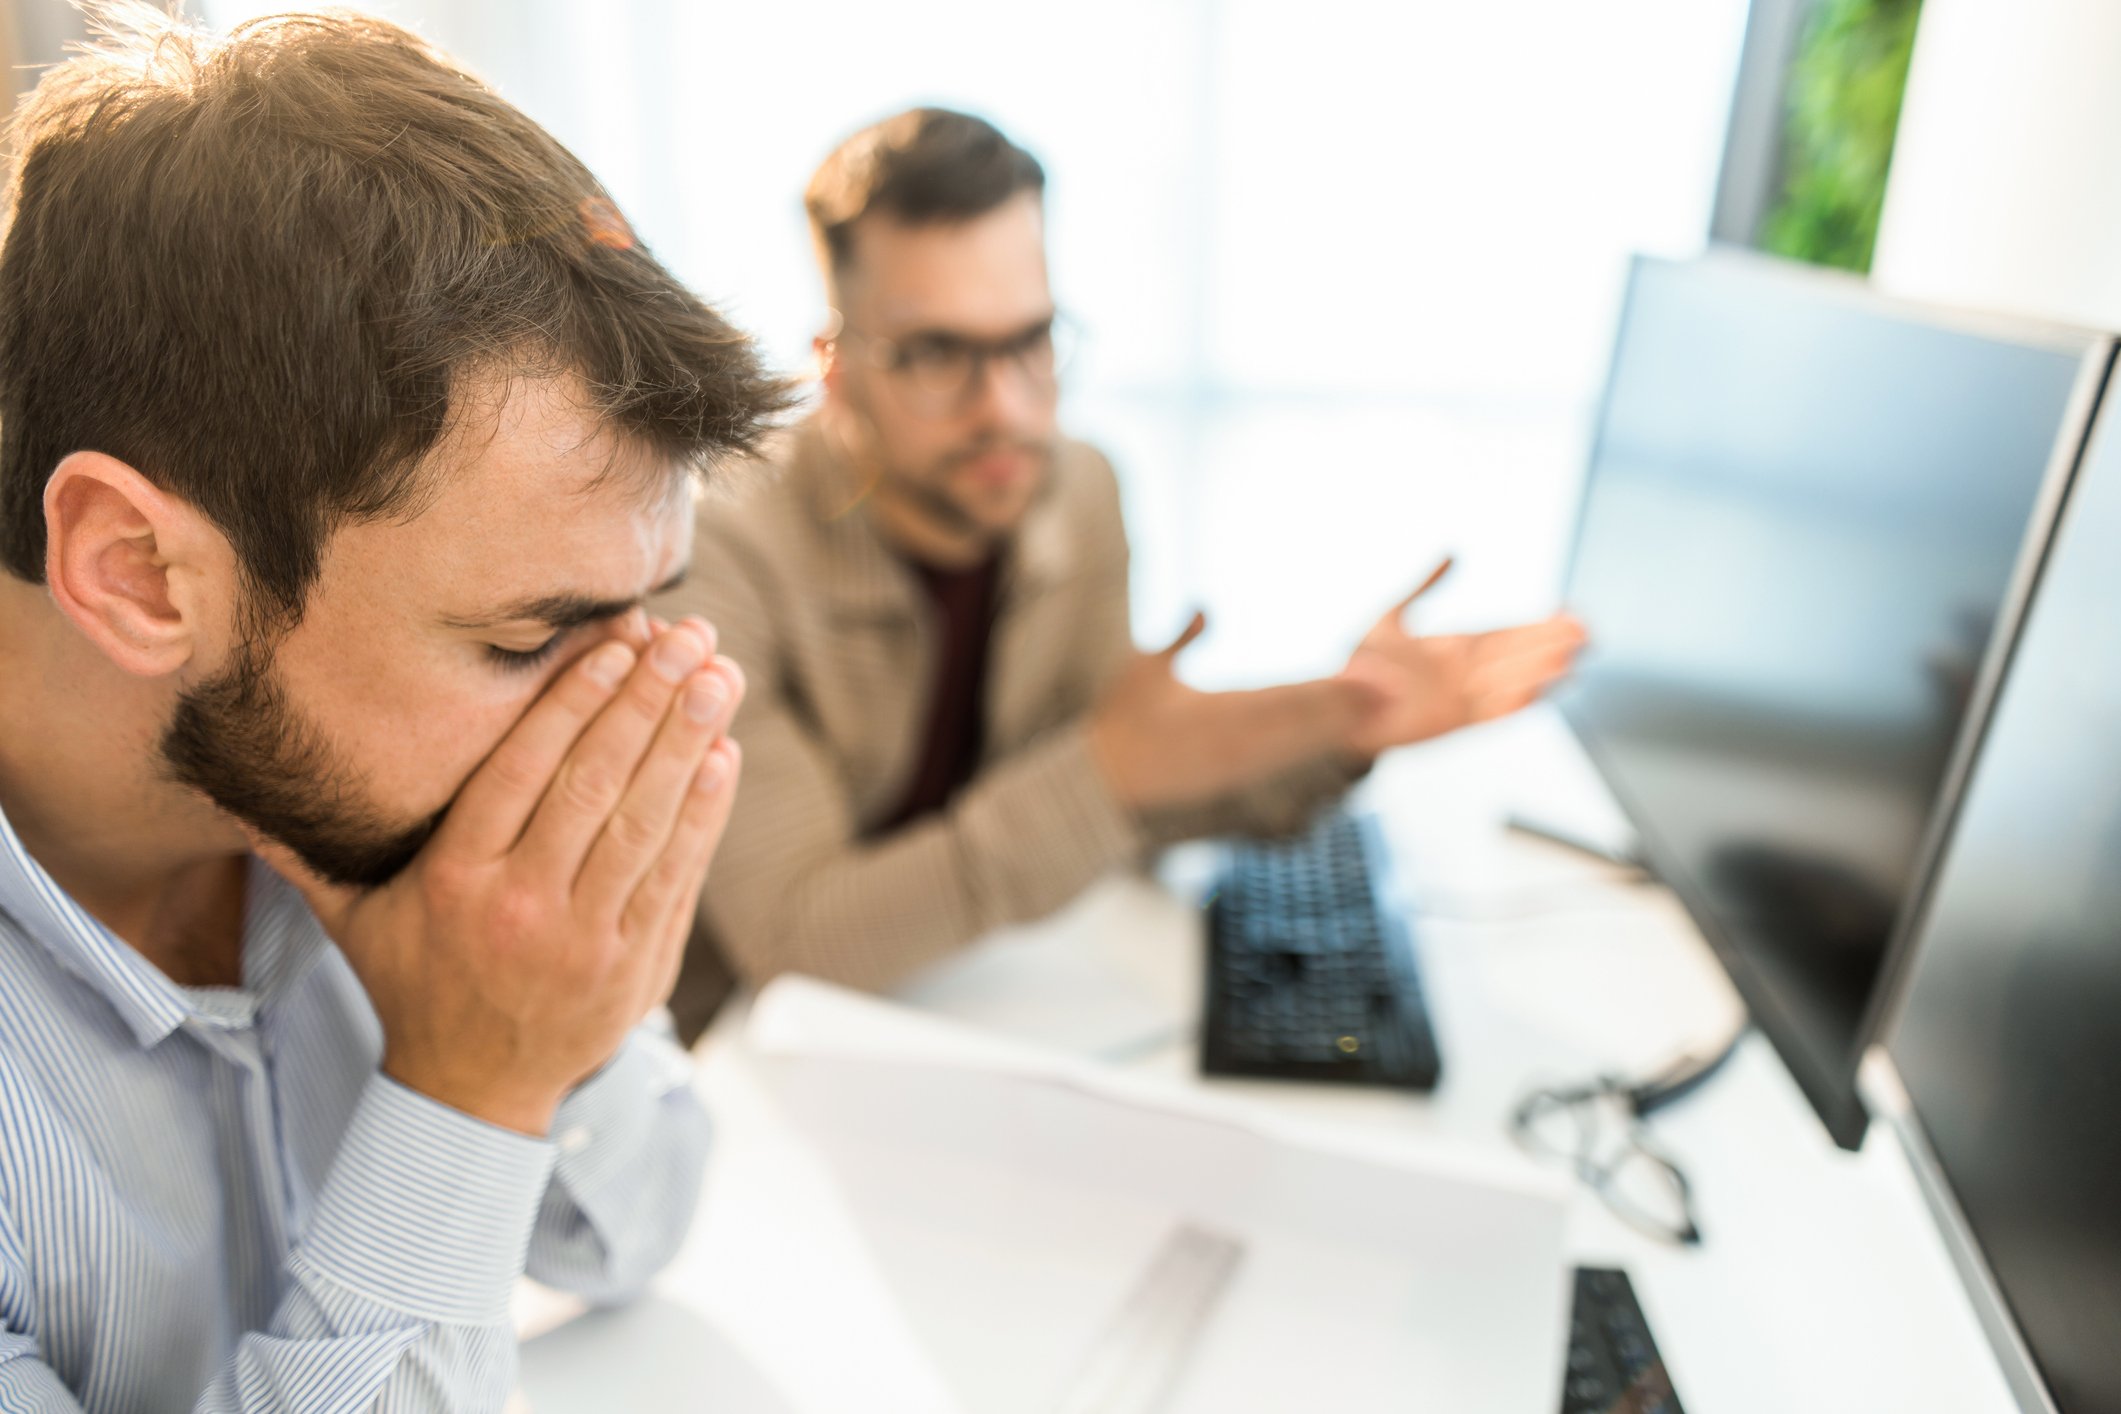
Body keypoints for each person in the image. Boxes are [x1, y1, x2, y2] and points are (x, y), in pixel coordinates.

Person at [0, 10, 787, 1411]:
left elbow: (635, 1226)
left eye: (649, 603)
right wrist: (472, 1086)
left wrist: (554, 1018)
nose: (635, 700)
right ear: (137, 572)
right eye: (531, 634)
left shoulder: (353, 790)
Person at [653, 107, 1584, 1036]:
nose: (1006, 409)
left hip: (971, 1008)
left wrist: (1339, 717)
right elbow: (796, 939)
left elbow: (1131, 787)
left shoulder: (1080, 490)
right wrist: (1105, 774)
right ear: (835, 367)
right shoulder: (719, 550)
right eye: (937, 354)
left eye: (1030, 341)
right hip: (748, 1066)